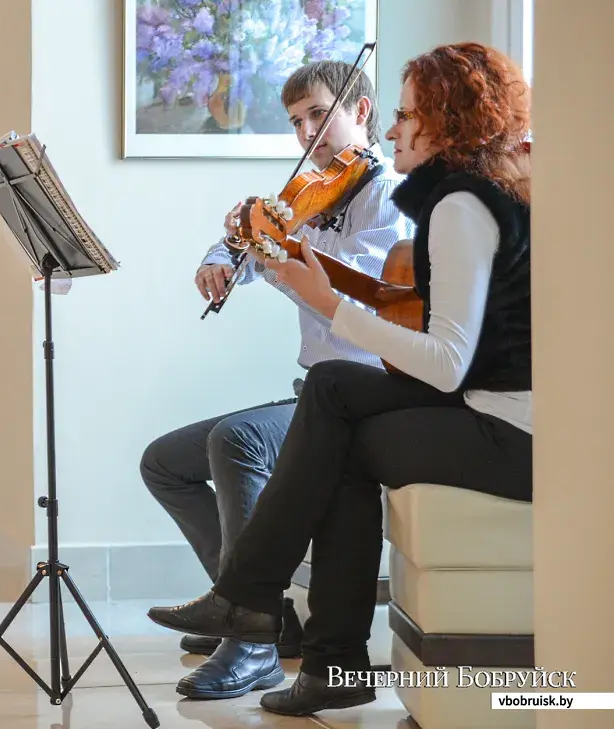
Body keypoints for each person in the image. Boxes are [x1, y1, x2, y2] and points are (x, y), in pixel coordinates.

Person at [145, 41, 533, 717]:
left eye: (406, 113)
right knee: (330, 391)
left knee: (336, 429)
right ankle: (268, 614)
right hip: (488, 400)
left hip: (512, 430)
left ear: (444, 120)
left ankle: (280, 625)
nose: (390, 127)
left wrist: (327, 302)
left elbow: (446, 359)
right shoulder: (464, 198)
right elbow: (418, 318)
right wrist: (277, 259)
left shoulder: (458, 208)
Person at [139, 60, 414, 701]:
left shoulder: (392, 195)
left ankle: (251, 646)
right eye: (296, 122)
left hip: (366, 391)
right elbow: (243, 243)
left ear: (362, 112)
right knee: (165, 463)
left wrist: (278, 246)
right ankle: (264, 615)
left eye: (320, 114)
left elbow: (360, 284)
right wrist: (224, 252)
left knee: (238, 440)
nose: (308, 133)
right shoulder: (308, 196)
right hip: (317, 389)